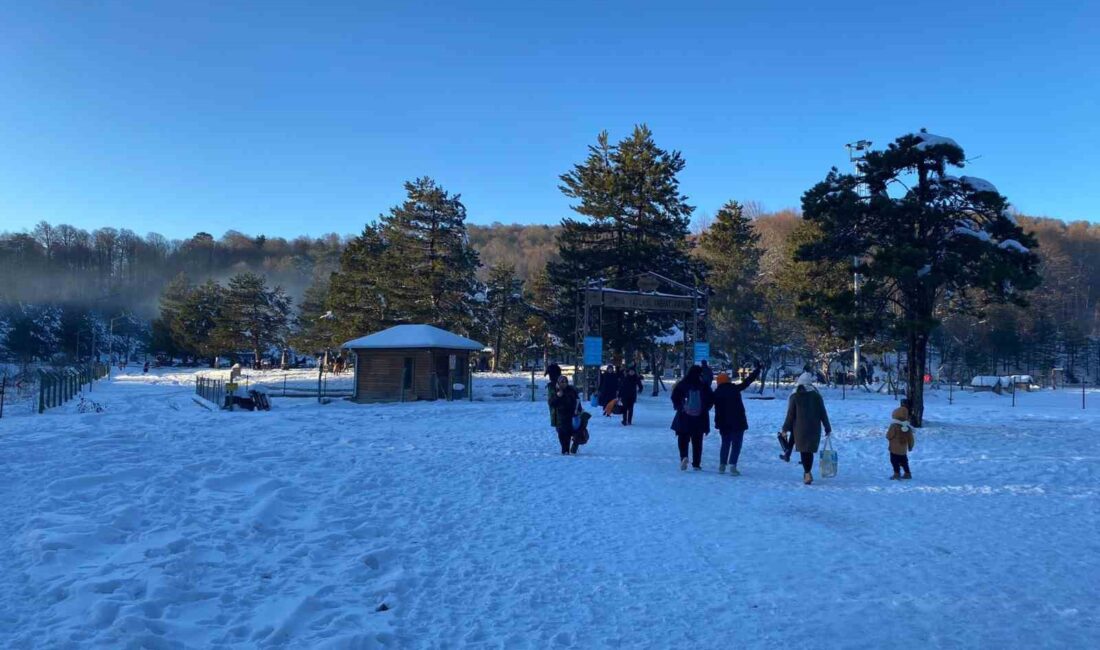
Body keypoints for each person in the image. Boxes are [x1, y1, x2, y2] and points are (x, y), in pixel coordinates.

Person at [780, 372, 832, 485]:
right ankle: (807, 472)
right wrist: (827, 427)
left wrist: (785, 429)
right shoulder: (817, 396)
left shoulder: (795, 396)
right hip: (814, 428)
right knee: (809, 452)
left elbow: (790, 415)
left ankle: (807, 474)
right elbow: (823, 413)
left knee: (804, 451)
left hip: (800, 429)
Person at [712, 362, 763, 475]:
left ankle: (722, 465)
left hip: (723, 423)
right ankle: (733, 465)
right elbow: (747, 382)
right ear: (728, 381)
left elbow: (709, 405)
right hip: (738, 421)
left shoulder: (716, 393)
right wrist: (757, 370)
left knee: (725, 443)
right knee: (736, 444)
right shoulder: (735, 389)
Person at [670, 365, 714, 471]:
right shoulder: (703, 385)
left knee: (683, 438)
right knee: (697, 441)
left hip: (684, 416)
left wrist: (680, 407)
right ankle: (696, 464)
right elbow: (710, 399)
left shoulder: (682, 384)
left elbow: (674, 397)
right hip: (699, 417)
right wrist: (704, 409)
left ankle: (684, 457)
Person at [549, 375, 580, 455]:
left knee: (569, 433)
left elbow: (577, 400)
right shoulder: (555, 390)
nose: (564, 383)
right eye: (562, 382)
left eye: (565, 381)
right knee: (561, 433)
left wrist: (578, 410)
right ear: (558, 382)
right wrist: (557, 396)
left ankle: (567, 449)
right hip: (559, 416)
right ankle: (564, 449)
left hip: (571, 415)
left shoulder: (571, 390)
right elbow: (551, 403)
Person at [886, 399, 915, 480]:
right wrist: (910, 446)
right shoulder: (908, 427)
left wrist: (889, 438)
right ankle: (907, 473)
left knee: (894, 461)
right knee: (904, 461)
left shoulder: (894, 426)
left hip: (894, 449)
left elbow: (889, 435)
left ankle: (897, 473)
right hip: (903, 450)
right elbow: (911, 438)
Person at [545, 363, 563, 429]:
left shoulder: (559, 386)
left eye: (550, 374)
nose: (549, 377)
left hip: (562, 419)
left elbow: (552, 402)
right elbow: (551, 402)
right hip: (557, 419)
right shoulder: (552, 386)